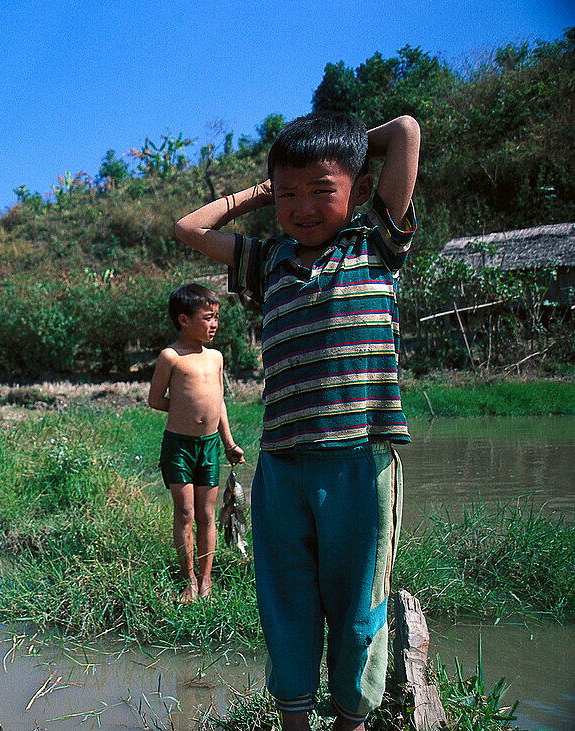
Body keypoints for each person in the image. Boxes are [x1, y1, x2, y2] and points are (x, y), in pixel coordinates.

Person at [174, 112, 421, 731]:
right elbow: (189, 228)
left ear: (359, 193)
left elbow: (408, 133)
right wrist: (265, 187)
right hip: (282, 463)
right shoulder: (269, 261)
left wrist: (345, 148)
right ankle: (293, 721)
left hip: (360, 458)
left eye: (321, 189)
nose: (302, 207)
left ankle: (351, 721)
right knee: (285, 603)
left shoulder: (377, 245)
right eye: (289, 193)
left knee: (359, 605)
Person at [148, 283, 245, 604]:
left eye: (216, 317)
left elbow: (219, 403)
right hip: (179, 446)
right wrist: (185, 411)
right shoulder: (170, 357)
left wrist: (229, 443)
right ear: (183, 320)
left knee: (207, 514)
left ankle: (206, 580)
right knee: (186, 513)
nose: (214, 324)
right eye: (207, 318)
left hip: (209, 448)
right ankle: (188, 578)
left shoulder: (215, 358)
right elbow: (155, 399)